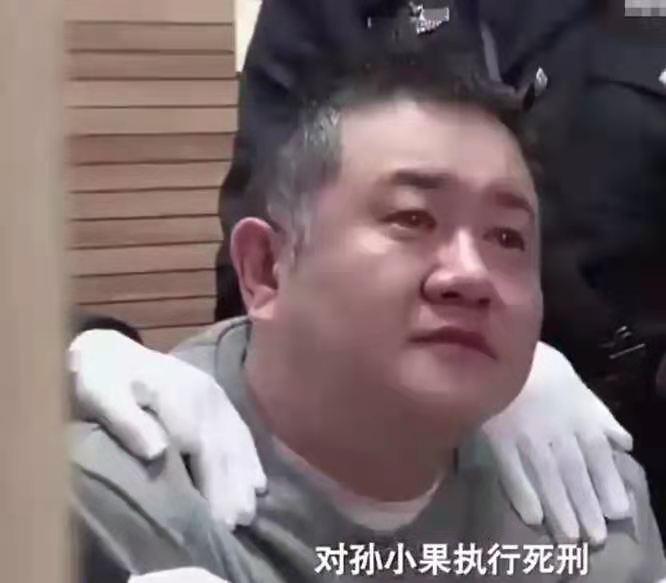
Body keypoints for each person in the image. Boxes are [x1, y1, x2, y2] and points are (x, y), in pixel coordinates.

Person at [71, 58, 666, 582]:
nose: (471, 274)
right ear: (267, 268)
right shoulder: (107, 506)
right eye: (413, 219)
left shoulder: (587, 505)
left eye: (507, 237)